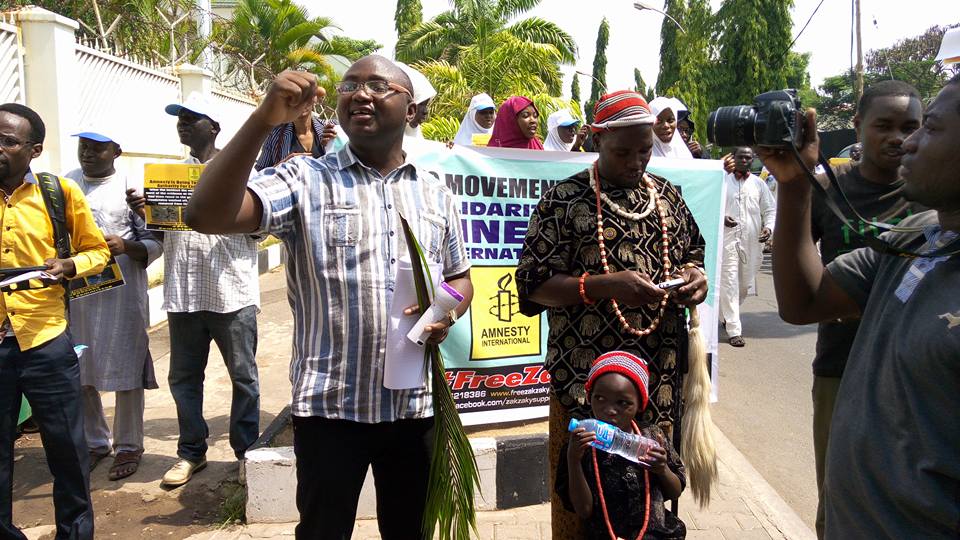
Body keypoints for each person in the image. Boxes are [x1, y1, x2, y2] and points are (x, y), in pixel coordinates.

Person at [184, 56, 474, 539]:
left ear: (412, 110)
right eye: (350, 85)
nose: (361, 93)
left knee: (411, 532)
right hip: (330, 408)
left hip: (414, 407)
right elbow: (206, 215)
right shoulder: (303, 179)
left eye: (379, 85)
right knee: (323, 531)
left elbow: (461, 279)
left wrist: (444, 309)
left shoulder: (435, 193)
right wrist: (261, 120)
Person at [760, 74, 960, 539]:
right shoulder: (917, 235)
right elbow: (803, 301)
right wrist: (793, 185)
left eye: (927, 128)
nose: (907, 144)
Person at [515, 90, 707, 539]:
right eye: (624, 152)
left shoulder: (668, 198)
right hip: (585, 385)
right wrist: (603, 285)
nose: (637, 161)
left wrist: (695, 277)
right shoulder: (564, 200)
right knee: (581, 504)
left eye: (645, 151)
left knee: (652, 497)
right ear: (597, 140)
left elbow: (694, 253)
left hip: (653, 383)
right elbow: (533, 285)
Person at [807, 80, 922, 539]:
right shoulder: (824, 190)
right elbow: (796, 277)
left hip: (916, 369)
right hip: (841, 364)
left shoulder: (929, 195)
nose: (898, 137)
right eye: (885, 125)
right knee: (839, 495)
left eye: (911, 127)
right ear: (858, 126)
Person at [128, 91, 262, 487]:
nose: (183, 123)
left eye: (192, 117)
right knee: (184, 378)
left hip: (231, 293)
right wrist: (146, 212)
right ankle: (191, 453)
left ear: (214, 126)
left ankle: (245, 452)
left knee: (244, 377)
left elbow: (263, 229)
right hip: (184, 294)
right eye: (180, 118)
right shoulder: (168, 176)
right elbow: (159, 234)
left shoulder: (243, 173)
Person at [0, 103, 110, 540]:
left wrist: (69, 266)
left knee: (66, 451)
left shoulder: (57, 193)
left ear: (34, 150)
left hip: (45, 340)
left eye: (8, 141)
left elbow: (97, 251)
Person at [64, 128, 162, 481]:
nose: (87, 154)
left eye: (96, 148)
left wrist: (125, 246)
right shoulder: (65, 185)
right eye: (83, 147)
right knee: (80, 365)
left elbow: (153, 240)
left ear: (116, 152)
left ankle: (129, 445)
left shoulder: (131, 188)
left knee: (126, 366)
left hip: (121, 295)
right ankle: (95, 442)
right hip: (78, 293)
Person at [557, 351, 686, 540]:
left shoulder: (653, 437)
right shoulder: (580, 446)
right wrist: (573, 460)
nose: (609, 410)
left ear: (639, 405)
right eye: (599, 398)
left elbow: (675, 491)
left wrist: (662, 469)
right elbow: (584, 510)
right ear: (589, 396)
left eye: (623, 403)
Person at [719, 146, 775, 347]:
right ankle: (734, 330)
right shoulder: (722, 180)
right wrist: (721, 218)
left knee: (744, 284)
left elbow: (770, 209)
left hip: (752, 242)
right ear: (733, 158)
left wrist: (769, 228)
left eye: (748, 158)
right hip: (727, 239)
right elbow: (714, 203)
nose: (744, 160)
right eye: (740, 157)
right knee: (730, 281)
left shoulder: (759, 184)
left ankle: (725, 313)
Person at [254, 86, 338, 170]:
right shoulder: (274, 134)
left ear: (314, 99)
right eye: (294, 98)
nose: (301, 102)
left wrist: (337, 144)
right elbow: (259, 173)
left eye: (306, 97)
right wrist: (281, 167)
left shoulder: (332, 128)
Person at [395, 61, 436, 138]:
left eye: (426, 105)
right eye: (420, 103)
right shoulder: (382, 140)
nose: (425, 112)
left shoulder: (415, 136)